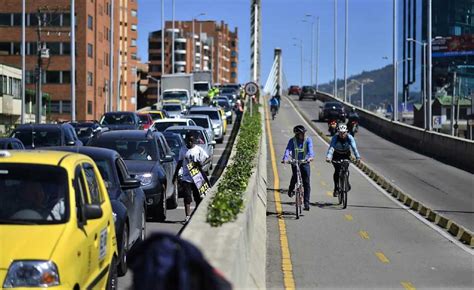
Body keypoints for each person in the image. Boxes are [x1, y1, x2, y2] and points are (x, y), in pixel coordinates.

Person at [173, 133, 209, 223]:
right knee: (187, 198)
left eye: (191, 141)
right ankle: (188, 216)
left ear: (194, 141)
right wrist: (175, 175)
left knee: (198, 197)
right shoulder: (183, 150)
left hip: (197, 175)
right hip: (186, 177)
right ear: (186, 140)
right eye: (188, 140)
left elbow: (208, 157)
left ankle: (196, 215)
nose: (190, 142)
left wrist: (202, 163)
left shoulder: (198, 150)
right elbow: (180, 163)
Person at [281, 125, 314, 211]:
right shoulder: (292, 141)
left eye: (304, 133)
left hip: (305, 162)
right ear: (297, 134)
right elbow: (288, 150)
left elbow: (311, 150)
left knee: (306, 182)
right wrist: (285, 159)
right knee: (295, 176)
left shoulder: (308, 140)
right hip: (295, 162)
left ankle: (306, 203)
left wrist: (310, 157)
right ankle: (291, 189)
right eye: (301, 134)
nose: (303, 135)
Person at [325, 124, 361, 197]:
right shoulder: (335, 137)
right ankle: (336, 188)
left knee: (345, 169)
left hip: (346, 154)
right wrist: (328, 157)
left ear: (346, 132)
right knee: (337, 171)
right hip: (336, 155)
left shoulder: (350, 137)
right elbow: (331, 148)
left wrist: (358, 157)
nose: (342, 134)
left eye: (344, 133)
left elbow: (354, 148)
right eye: (340, 133)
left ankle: (346, 183)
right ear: (338, 132)